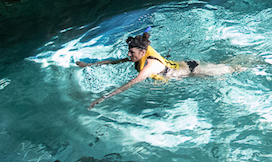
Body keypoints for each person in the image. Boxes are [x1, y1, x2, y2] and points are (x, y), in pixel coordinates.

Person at [78, 30, 237, 108]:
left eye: (131, 52)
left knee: (231, 70)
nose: (128, 54)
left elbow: (131, 83)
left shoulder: (150, 65)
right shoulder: (139, 54)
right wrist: (89, 65)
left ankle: (253, 65)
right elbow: (114, 62)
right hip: (185, 68)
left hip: (192, 70)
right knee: (222, 70)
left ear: (142, 52)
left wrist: (103, 98)